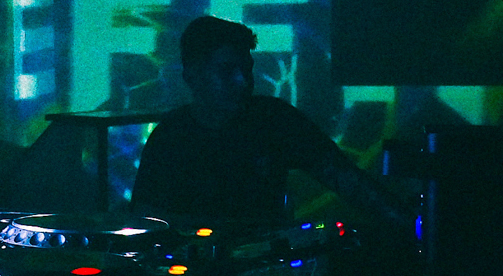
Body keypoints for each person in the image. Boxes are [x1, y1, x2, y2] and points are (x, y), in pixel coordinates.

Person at [133, 15, 400, 225]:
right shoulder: (171, 137)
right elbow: (145, 217)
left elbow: (348, 181)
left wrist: (410, 225)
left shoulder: (274, 119)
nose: (243, 81)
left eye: (246, 69)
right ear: (193, 75)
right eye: (227, 70)